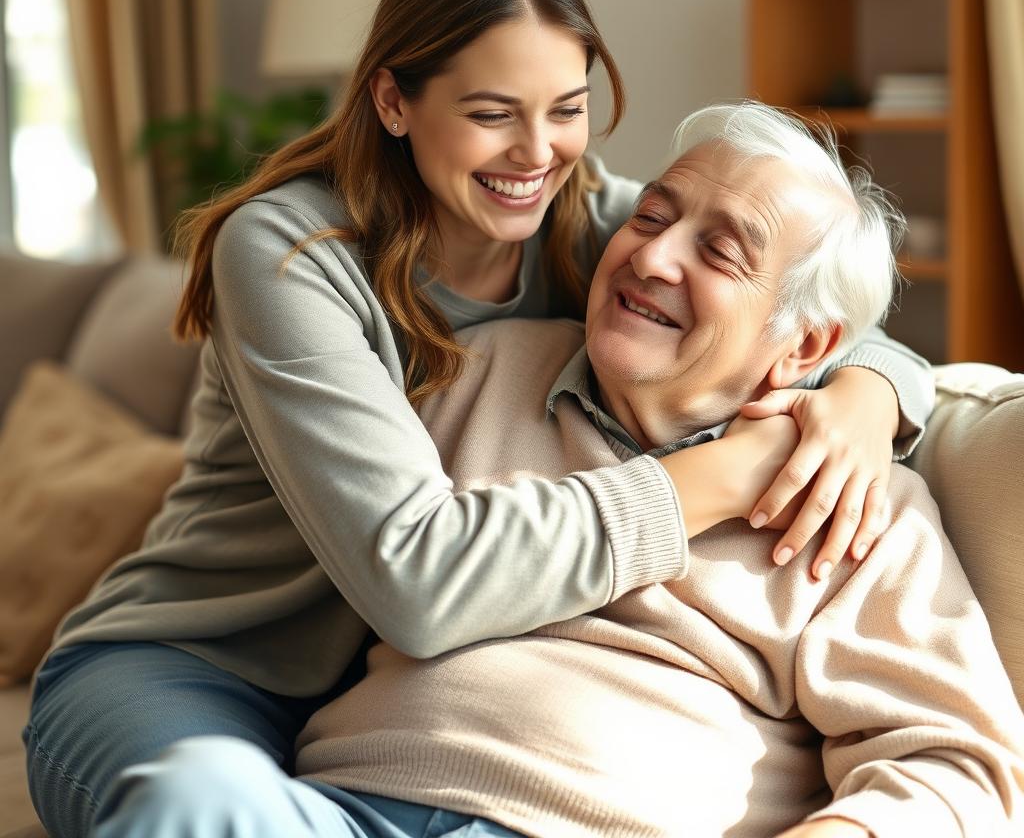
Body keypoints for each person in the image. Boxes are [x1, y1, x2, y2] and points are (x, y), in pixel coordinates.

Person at [25, 0, 931, 838]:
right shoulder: (288, 255)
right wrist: (732, 472)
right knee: (195, 806)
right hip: (202, 661)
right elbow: (417, 581)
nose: (536, 153)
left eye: (566, 108)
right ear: (393, 100)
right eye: (493, 113)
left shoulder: (585, 225)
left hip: (374, 695)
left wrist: (865, 397)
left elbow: (801, 309)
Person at [89, 102, 1022, 838]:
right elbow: (396, 567)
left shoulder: (856, 501)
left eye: (718, 251)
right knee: (190, 791)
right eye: (651, 214)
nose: (652, 254)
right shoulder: (473, 371)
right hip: (343, 811)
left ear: (803, 344)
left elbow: (958, 762)